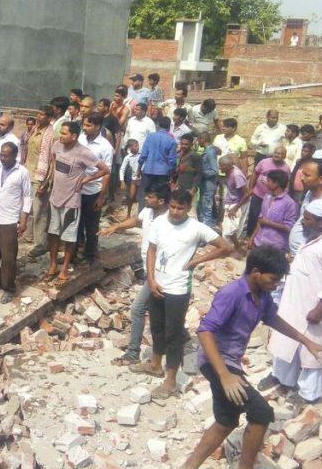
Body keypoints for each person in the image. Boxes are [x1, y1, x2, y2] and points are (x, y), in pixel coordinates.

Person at [175, 246, 322, 469]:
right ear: (256, 272)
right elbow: (205, 332)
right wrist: (225, 375)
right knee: (261, 412)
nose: (276, 284)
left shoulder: (262, 295)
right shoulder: (232, 294)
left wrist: (306, 341)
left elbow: (273, 319)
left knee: (226, 420)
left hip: (231, 364)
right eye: (273, 279)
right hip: (217, 363)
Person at [132, 189, 231, 397]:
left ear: (188, 209)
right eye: (173, 207)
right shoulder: (159, 223)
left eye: (180, 208)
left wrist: (197, 261)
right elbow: (151, 251)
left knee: (173, 334)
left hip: (178, 289)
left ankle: (170, 380)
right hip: (157, 284)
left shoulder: (196, 228)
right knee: (157, 328)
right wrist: (150, 279)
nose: (175, 212)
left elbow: (225, 247)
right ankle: (155, 364)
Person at [264, 200, 322, 405]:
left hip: (314, 306)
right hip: (294, 301)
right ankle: (283, 378)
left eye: (307, 218)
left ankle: (310, 393)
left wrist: (320, 308)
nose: (302, 221)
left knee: (311, 350)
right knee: (286, 339)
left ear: (320, 222)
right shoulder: (311, 239)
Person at [105, 184, 170, 365]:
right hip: (149, 269)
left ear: (161, 201)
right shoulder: (148, 212)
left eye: (150, 197)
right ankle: (179, 337)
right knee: (160, 310)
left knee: (138, 309)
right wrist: (116, 227)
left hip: (158, 274)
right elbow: (136, 221)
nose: (146, 199)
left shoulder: (169, 220)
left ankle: (133, 353)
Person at [43, 122, 109, 283]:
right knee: (53, 234)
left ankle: (64, 269)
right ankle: (52, 265)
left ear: (74, 136)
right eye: (61, 133)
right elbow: (53, 160)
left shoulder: (84, 152)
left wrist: (87, 179)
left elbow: (105, 170)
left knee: (69, 237)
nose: (61, 136)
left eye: (64, 133)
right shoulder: (57, 145)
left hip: (71, 201)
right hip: (54, 198)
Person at [0, 142, 32, 303]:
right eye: (1, 155)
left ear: (14, 156)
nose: (3, 158)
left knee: (8, 257)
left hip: (10, 220)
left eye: (6, 156)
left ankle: (9, 287)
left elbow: (27, 197)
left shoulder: (22, 173)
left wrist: (24, 220)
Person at [77, 113, 114, 265]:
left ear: (97, 127)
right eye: (84, 125)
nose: (84, 128)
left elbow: (107, 173)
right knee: (77, 224)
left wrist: (101, 197)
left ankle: (89, 255)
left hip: (93, 191)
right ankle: (74, 252)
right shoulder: (80, 139)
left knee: (91, 226)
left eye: (88, 125)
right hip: (76, 190)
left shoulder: (105, 147)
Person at [25, 105, 54, 253]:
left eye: (43, 115)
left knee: (40, 211)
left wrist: (44, 182)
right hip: (28, 172)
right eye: (38, 114)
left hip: (39, 177)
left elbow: (47, 159)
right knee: (28, 207)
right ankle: (28, 235)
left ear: (49, 118)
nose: (39, 117)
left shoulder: (49, 134)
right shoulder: (35, 128)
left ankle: (40, 244)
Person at [245, 145, 290, 237]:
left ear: (284, 156)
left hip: (272, 199)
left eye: (280, 154)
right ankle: (249, 236)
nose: (277, 155)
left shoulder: (286, 168)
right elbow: (255, 174)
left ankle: (258, 237)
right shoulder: (263, 162)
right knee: (253, 215)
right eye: (276, 153)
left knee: (265, 218)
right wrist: (251, 188)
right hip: (258, 194)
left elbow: (286, 183)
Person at [251, 170, 297, 252]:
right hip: (258, 242)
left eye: (268, 181)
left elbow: (289, 227)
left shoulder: (289, 203)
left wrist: (269, 223)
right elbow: (260, 220)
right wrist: (252, 238)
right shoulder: (267, 196)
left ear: (276, 183)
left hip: (274, 247)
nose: (266, 183)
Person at [136, 115, 176, 210]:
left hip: (148, 170)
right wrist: (172, 174)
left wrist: (138, 169)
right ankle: (159, 214)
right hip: (163, 173)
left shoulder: (150, 136)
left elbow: (143, 155)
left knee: (145, 193)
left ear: (158, 125)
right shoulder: (171, 139)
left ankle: (142, 214)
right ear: (169, 127)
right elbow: (172, 161)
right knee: (161, 194)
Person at [220, 156, 249, 257]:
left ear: (228, 166)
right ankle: (232, 249)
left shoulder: (237, 175)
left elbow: (246, 194)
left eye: (222, 166)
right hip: (231, 201)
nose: (220, 168)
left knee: (230, 230)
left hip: (237, 203)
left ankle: (237, 249)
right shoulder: (230, 171)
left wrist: (235, 208)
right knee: (227, 229)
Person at [198, 133, 220, 227]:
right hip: (205, 182)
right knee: (204, 203)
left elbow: (214, 170)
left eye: (199, 140)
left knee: (207, 204)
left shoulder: (210, 152)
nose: (198, 142)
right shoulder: (207, 150)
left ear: (202, 139)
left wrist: (201, 173)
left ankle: (207, 226)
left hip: (209, 182)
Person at [173, 132, 201, 202]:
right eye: (182, 144)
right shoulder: (181, 155)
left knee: (191, 212)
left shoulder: (195, 156)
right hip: (180, 188)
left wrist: (193, 190)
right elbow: (180, 173)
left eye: (186, 144)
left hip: (189, 189)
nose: (183, 146)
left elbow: (199, 174)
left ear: (191, 144)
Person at [119, 139, 141, 219]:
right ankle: (128, 214)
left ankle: (140, 215)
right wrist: (122, 181)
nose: (137, 147)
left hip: (142, 178)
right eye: (135, 146)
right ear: (130, 147)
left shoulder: (141, 155)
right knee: (131, 197)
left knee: (141, 198)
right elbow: (122, 169)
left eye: (137, 145)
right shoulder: (127, 157)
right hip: (134, 179)